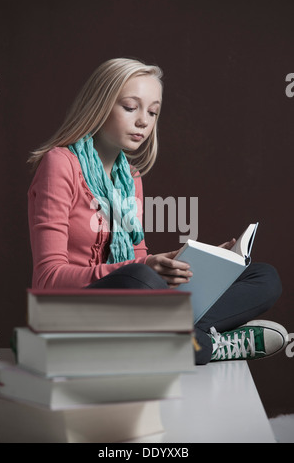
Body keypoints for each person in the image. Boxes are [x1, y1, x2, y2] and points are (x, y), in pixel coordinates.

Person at [27, 57, 287, 365]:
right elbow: (48, 281)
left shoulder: (131, 179)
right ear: (99, 104)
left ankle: (180, 338)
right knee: (140, 278)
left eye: (152, 112)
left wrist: (190, 263)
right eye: (130, 107)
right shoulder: (60, 164)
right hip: (72, 315)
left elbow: (138, 260)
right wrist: (145, 268)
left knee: (263, 277)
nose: (143, 121)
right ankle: (208, 346)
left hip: (133, 311)